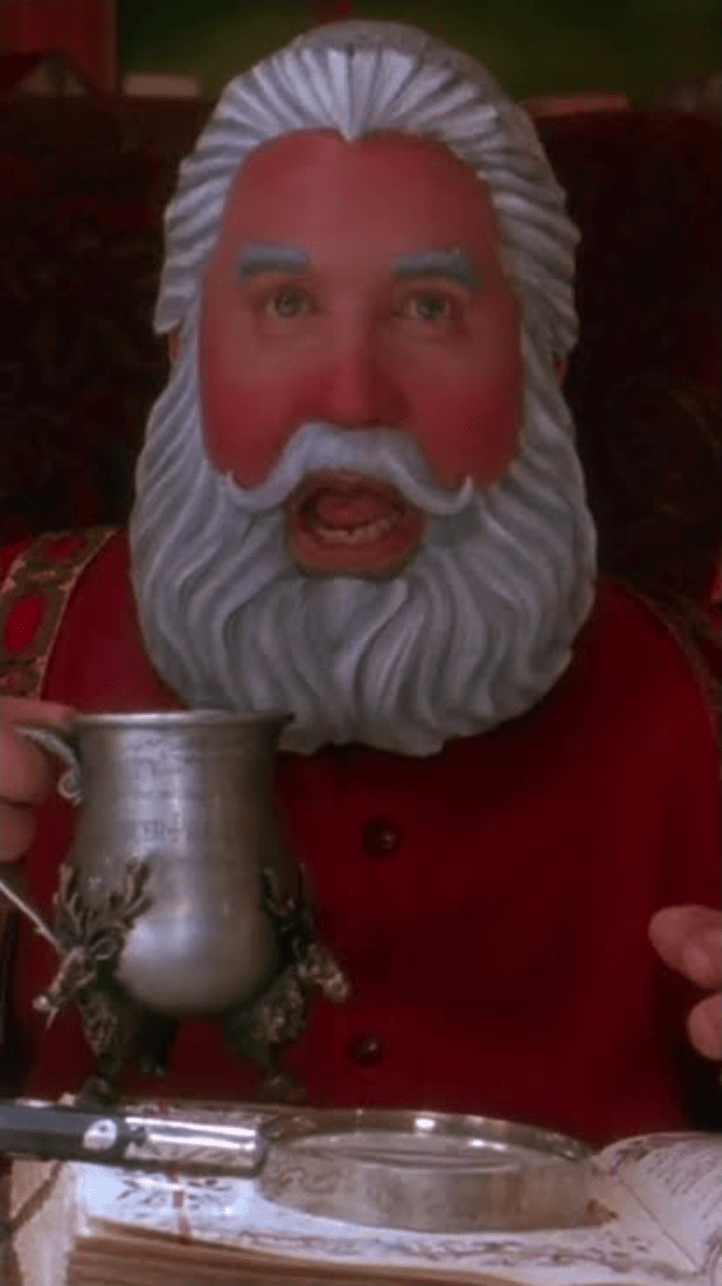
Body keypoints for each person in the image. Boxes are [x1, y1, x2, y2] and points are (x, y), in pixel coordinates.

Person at [0, 20, 719, 1146]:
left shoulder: (698, 703)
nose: (350, 397)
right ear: (185, 353)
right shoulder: (16, 637)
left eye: (428, 308)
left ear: (540, 365)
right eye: (287, 303)